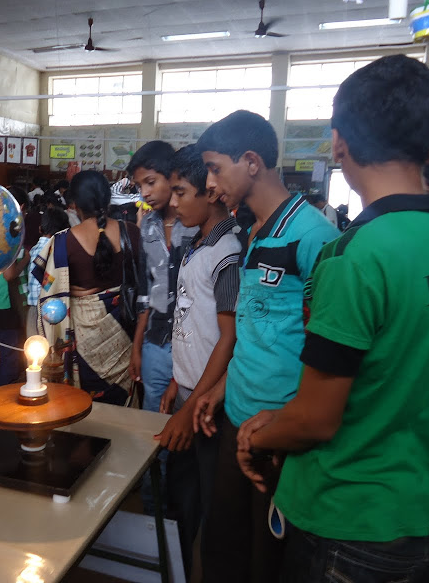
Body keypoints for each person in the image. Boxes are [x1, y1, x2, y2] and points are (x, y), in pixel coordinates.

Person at [236, 55, 429, 582]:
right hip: (422, 515)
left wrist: (257, 437)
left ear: (338, 143)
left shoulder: (352, 257)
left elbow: (316, 418)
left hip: (346, 524)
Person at [193, 110, 339, 583]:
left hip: (279, 431)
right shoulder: (253, 232)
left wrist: (288, 422)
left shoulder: (315, 237)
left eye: (216, 168)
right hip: (236, 415)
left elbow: (328, 350)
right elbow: (259, 329)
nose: (210, 183)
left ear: (252, 162)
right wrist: (221, 388)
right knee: (223, 545)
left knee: (267, 559)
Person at [154, 144, 242, 579]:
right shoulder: (196, 243)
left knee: (208, 503)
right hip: (189, 390)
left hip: (209, 404)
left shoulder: (227, 252)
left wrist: (192, 407)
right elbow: (191, 322)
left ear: (210, 192)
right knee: (180, 498)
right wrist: (177, 379)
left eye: (181, 192)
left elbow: (228, 338)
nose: (173, 203)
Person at [128, 140, 198, 514]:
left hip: (194, 344)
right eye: (140, 186)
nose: (145, 192)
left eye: (150, 182)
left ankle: (182, 512)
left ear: (172, 176)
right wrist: (137, 347)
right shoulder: (149, 228)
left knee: (189, 429)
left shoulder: (199, 224)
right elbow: (145, 291)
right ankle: (154, 509)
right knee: (153, 428)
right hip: (155, 342)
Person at [34, 170, 140, 405]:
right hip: (125, 334)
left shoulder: (62, 242)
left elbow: (51, 294)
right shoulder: (132, 232)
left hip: (82, 341)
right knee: (121, 407)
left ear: (74, 204)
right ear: (108, 198)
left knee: (82, 402)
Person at [0, 186, 31, 387]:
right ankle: (3, 397)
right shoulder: (11, 230)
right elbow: (9, 275)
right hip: (7, 302)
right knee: (11, 357)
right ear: (21, 207)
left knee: (8, 354)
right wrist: (27, 258)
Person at [27, 207, 69, 337]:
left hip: (33, 309)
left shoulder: (34, 249)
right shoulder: (56, 251)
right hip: (53, 309)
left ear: (40, 229)